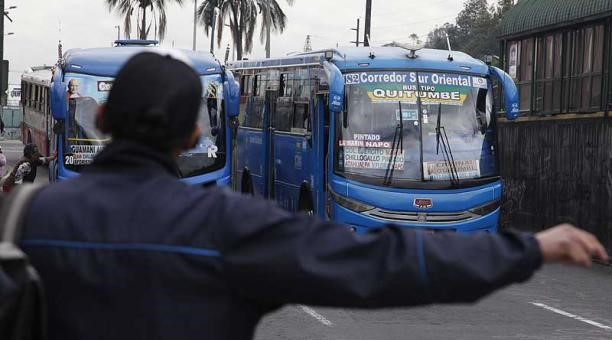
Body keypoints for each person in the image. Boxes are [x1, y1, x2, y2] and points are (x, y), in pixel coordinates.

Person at [19, 52, 608, 340]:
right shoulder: (230, 226)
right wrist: (528, 250)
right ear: (197, 132)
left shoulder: (28, 215)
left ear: (99, 116)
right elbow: (385, 264)